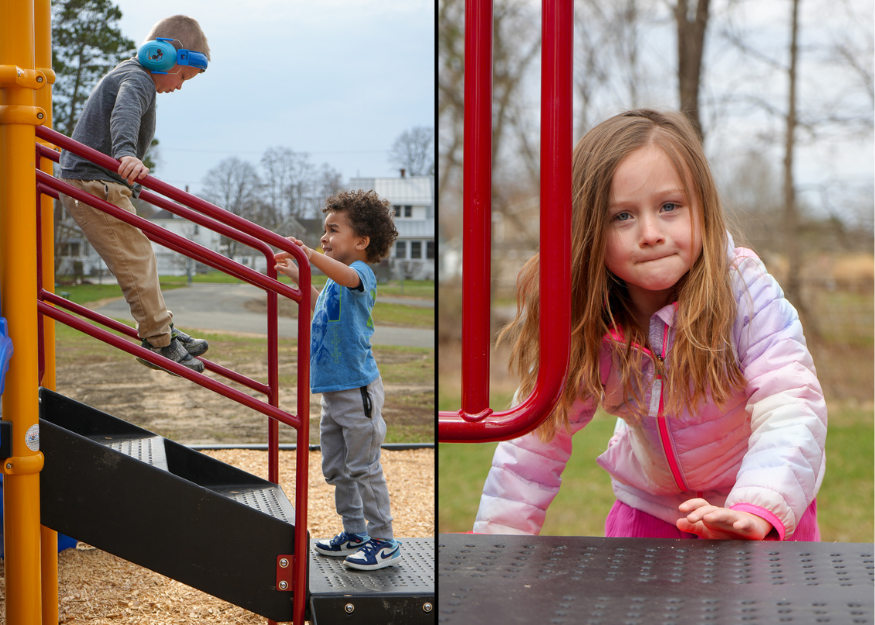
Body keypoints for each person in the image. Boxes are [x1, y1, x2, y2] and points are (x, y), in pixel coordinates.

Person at [474, 109, 827, 542]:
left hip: (760, 508)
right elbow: (535, 439)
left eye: (669, 207)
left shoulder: (743, 292)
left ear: (702, 207)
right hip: (652, 510)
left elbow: (791, 401)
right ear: (589, 230)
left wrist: (759, 505)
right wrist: (497, 544)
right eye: (622, 216)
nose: (650, 232)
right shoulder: (588, 318)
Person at [58, 15, 211, 375]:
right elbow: (124, 113)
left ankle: (162, 327)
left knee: (142, 257)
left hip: (99, 182)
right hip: (92, 184)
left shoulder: (131, 75)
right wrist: (126, 153)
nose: (179, 87)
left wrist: (129, 180)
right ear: (163, 56)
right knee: (136, 261)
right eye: (183, 77)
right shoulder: (138, 79)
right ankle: (159, 342)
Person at [274, 190, 402, 569]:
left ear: (361, 241)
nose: (324, 237)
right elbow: (323, 308)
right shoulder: (335, 282)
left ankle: (384, 540)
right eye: (324, 230)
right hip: (332, 392)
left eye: (333, 230)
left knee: (363, 467)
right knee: (336, 467)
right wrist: (299, 276)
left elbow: (346, 277)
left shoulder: (361, 274)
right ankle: (355, 532)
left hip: (357, 390)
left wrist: (310, 256)